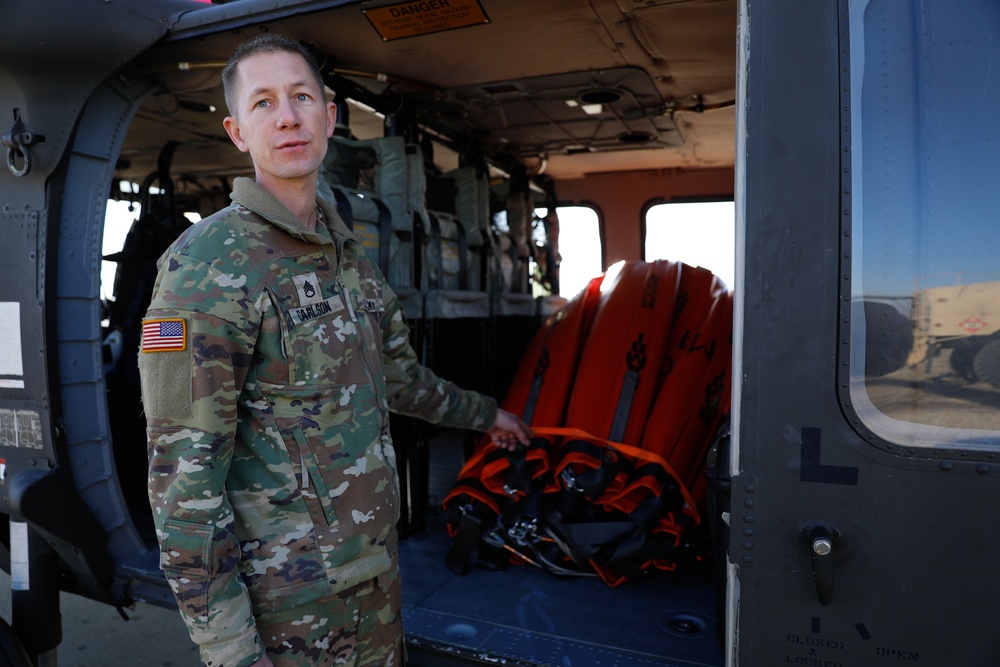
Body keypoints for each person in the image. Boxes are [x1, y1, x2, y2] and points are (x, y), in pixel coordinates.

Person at [137, 33, 532, 667]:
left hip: (374, 578)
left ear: (330, 117)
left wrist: (488, 416)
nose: (288, 116)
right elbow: (183, 485)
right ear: (238, 132)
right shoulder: (204, 267)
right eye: (263, 103)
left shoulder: (348, 256)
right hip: (291, 608)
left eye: (301, 97)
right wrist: (231, 651)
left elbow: (402, 382)